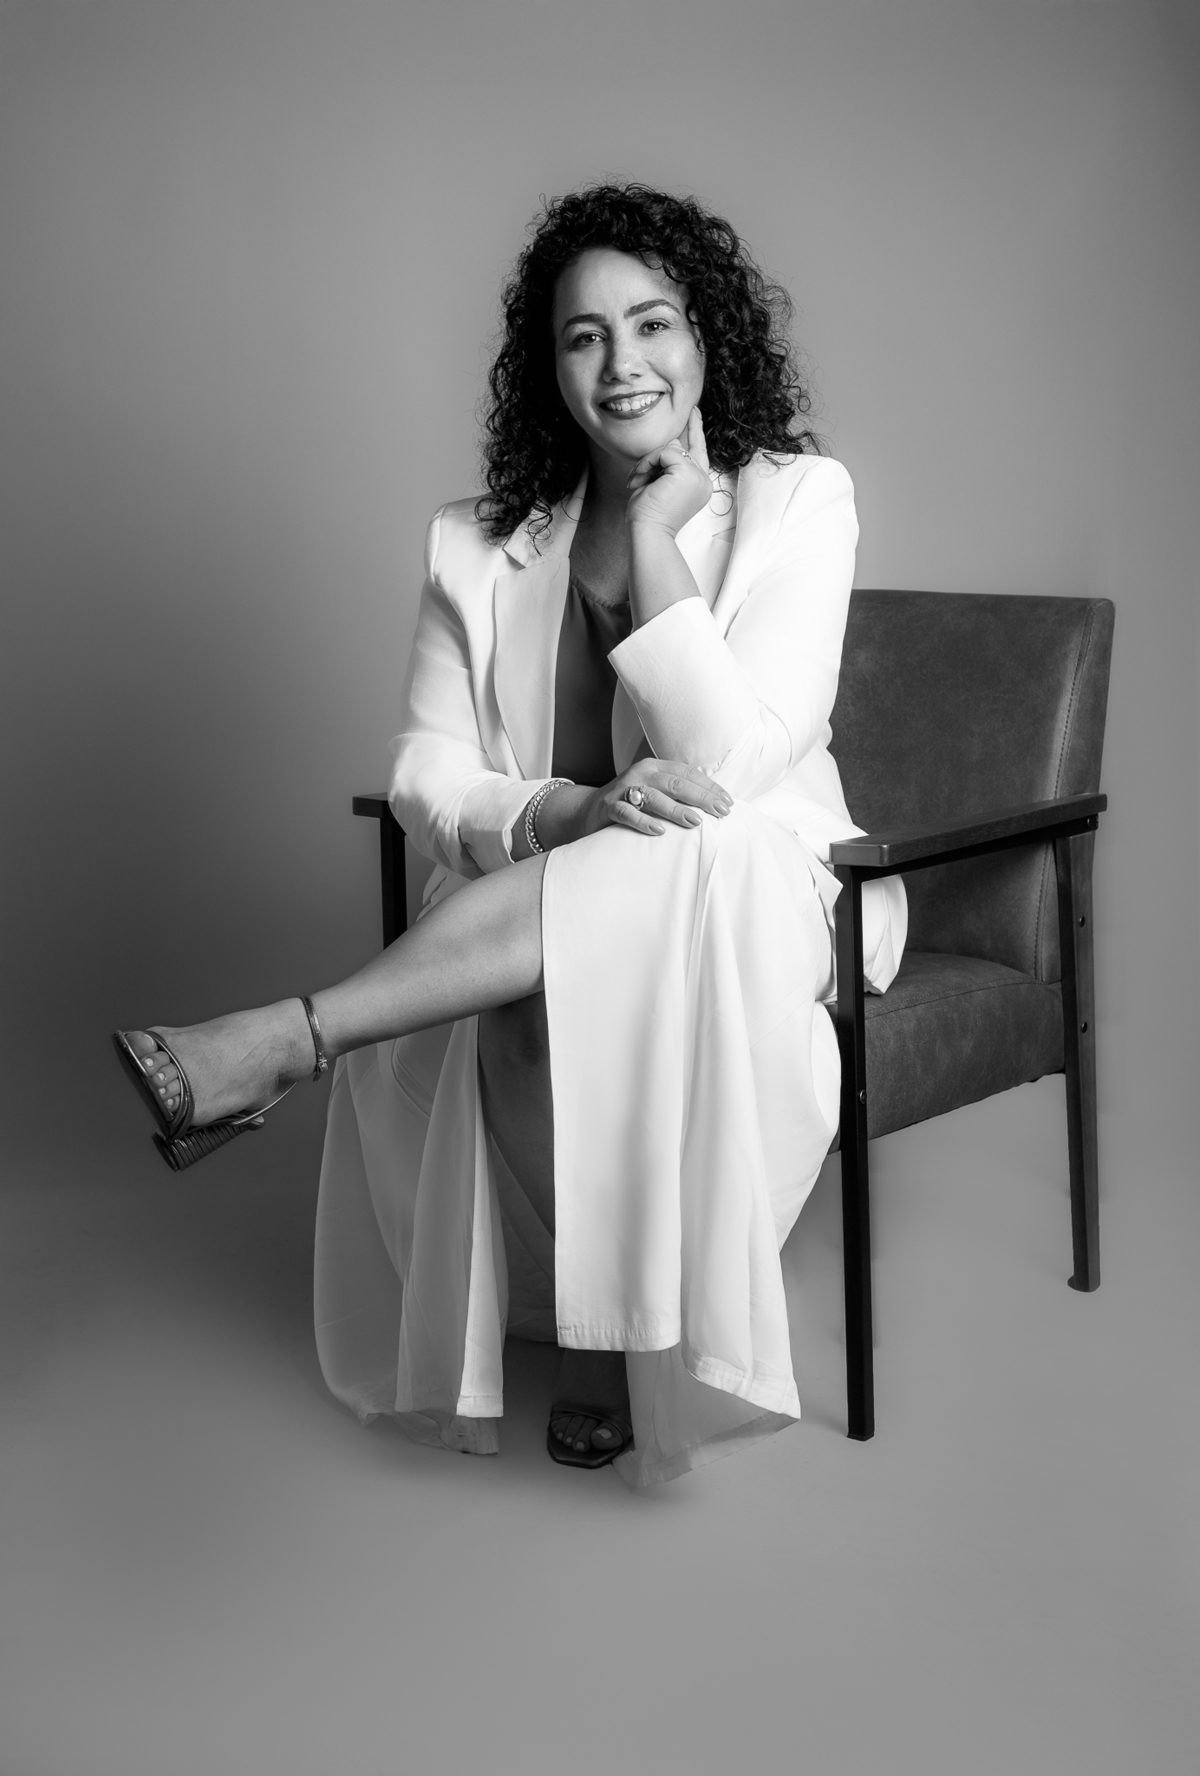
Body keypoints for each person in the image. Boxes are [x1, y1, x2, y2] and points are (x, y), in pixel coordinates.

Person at [114, 183, 906, 1489]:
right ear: (549, 367)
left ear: (706, 336)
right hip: (548, 888)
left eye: (652, 323)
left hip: (757, 883)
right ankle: (603, 1331)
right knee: (561, 960)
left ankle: (294, 1038)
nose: (623, 362)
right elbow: (426, 766)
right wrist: (559, 811)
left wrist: (653, 536)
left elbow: (723, 768)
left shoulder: (797, 500)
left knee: (675, 840)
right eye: (584, 336)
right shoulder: (477, 544)